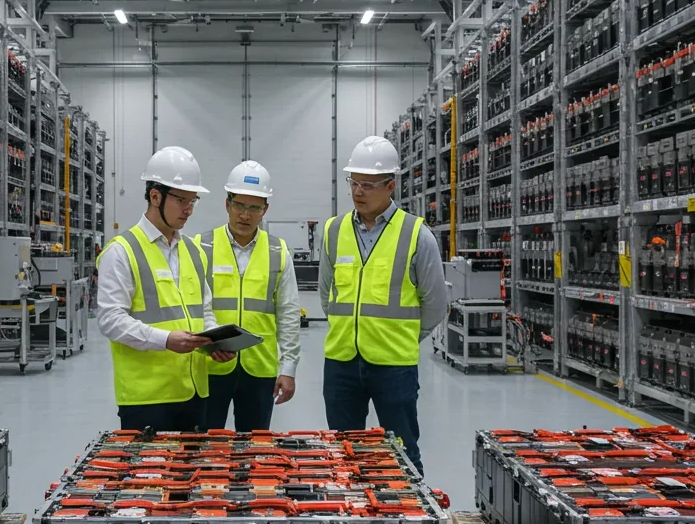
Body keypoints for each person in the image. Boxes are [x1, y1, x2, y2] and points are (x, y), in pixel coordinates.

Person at [318, 136, 448, 474]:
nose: (358, 192)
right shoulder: (333, 231)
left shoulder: (417, 235)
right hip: (341, 362)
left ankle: (411, 523)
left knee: (402, 453)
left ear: (391, 185)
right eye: (354, 183)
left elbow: (435, 304)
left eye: (368, 185)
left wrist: (401, 336)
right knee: (344, 452)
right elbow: (326, 294)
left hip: (393, 365)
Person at [95, 147, 235, 431]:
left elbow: (203, 310)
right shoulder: (122, 252)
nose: (189, 209)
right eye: (181, 199)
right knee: (150, 475)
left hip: (195, 392)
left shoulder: (194, 252)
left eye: (193, 200)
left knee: (192, 474)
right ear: (155, 196)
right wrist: (165, 339)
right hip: (148, 399)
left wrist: (214, 342)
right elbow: (110, 320)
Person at [193, 161, 302, 431]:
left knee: (254, 452)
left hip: (260, 369)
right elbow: (191, 306)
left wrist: (288, 369)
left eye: (254, 207)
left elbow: (288, 313)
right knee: (206, 447)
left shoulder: (278, 251)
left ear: (265, 209)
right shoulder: (200, 246)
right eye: (240, 205)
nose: (245, 214)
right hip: (212, 365)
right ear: (227, 204)